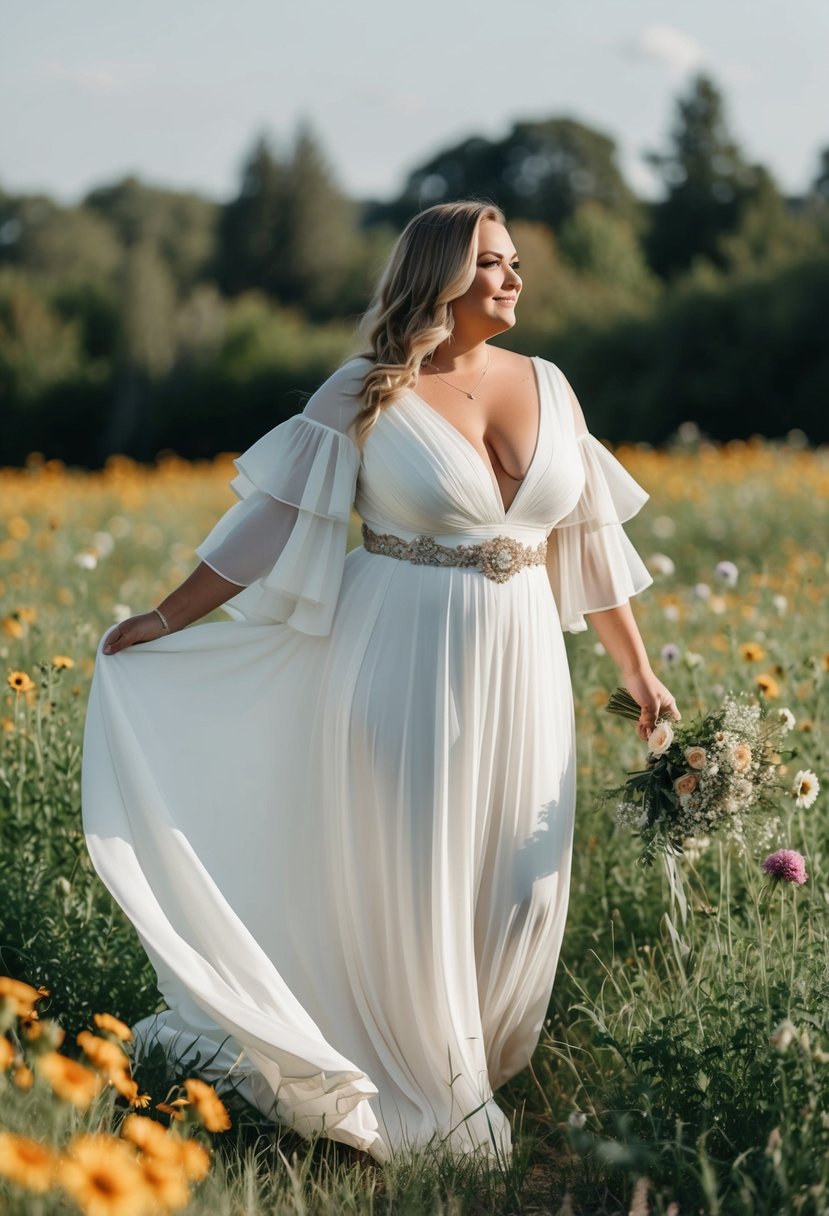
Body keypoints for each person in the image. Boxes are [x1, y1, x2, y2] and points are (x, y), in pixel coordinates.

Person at [82, 199, 679, 1165]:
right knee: (419, 875)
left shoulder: (550, 385)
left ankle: (465, 1069)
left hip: (525, 663)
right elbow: (268, 523)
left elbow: (587, 540)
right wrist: (163, 618)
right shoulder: (365, 390)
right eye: (493, 262)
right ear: (442, 272)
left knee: (520, 889)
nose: (515, 278)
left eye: (515, 261)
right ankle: (423, 1094)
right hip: (399, 655)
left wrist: (638, 670)